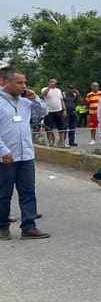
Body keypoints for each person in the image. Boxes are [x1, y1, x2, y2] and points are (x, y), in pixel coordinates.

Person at [0, 66, 50, 240]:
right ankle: (2, 227)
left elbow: (43, 112)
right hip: (5, 157)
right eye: (19, 82)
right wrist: (3, 150)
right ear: (3, 81)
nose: (23, 86)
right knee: (4, 193)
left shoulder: (25, 102)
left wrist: (34, 97)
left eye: (25, 83)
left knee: (28, 190)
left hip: (26, 155)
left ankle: (29, 227)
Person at [41, 77, 68, 147]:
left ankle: (62, 143)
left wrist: (64, 110)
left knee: (61, 127)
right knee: (49, 128)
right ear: (48, 82)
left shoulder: (58, 90)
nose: (53, 83)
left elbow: (61, 100)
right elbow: (43, 94)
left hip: (58, 111)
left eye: (54, 82)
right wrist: (49, 87)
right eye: (51, 81)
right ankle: (50, 143)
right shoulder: (45, 89)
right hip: (49, 111)